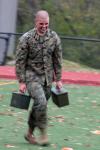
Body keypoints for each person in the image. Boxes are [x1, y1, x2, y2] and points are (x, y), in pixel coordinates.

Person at [15, 10, 62, 146]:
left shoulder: (54, 37)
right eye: (41, 24)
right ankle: (43, 134)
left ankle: (29, 133)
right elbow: (20, 61)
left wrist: (58, 79)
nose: (44, 26)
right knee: (41, 102)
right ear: (36, 22)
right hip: (31, 76)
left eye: (46, 24)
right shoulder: (26, 38)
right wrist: (22, 81)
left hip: (47, 79)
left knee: (39, 106)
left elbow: (57, 60)